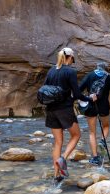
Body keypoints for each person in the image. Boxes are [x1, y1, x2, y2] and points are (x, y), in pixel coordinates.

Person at [43, 47, 97, 184]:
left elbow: (45, 90)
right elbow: (78, 94)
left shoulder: (51, 70)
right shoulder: (70, 72)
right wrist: (91, 99)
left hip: (51, 110)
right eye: (73, 59)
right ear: (70, 58)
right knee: (76, 135)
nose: (73, 61)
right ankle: (63, 158)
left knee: (58, 142)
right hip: (64, 110)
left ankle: (57, 175)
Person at [79, 62, 110, 165]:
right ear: (106, 69)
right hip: (104, 106)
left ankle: (95, 157)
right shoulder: (108, 77)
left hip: (91, 105)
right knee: (106, 126)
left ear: (96, 67)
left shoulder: (89, 75)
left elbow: (78, 90)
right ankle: (102, 140)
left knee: (92, 133)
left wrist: (87, 97)